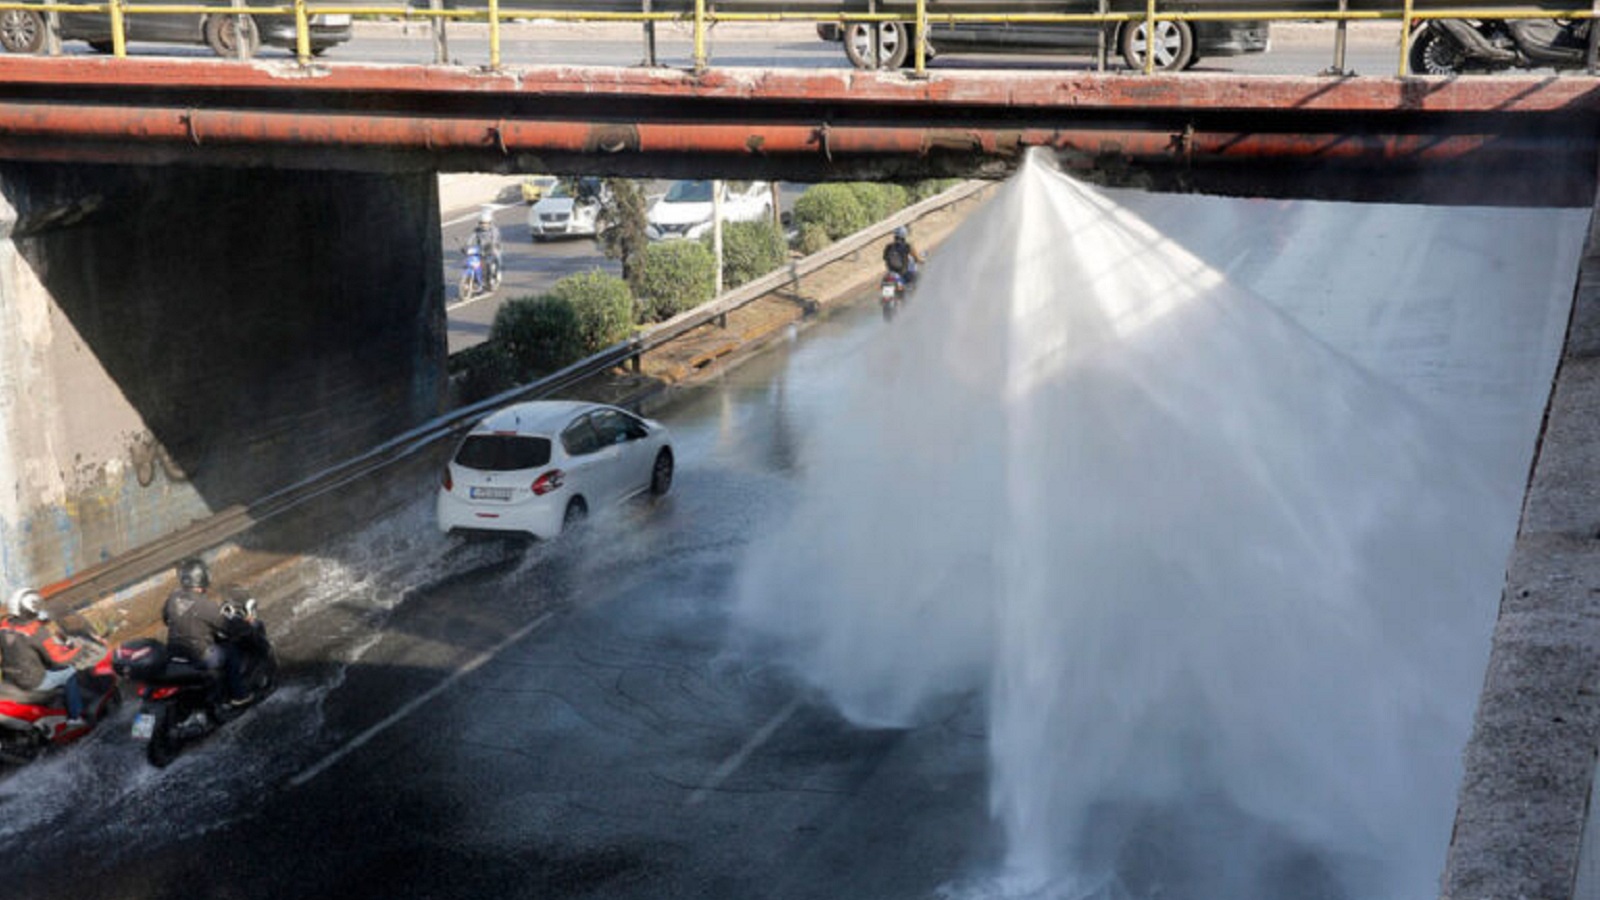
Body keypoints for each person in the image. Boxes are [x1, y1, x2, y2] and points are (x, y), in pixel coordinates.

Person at [162, 558, 250, 706]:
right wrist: (246, 624)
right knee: (231, 652)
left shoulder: (173, 597)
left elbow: (166, 618)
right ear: (202, 578)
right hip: (200, 655)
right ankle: (239, 696)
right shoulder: (204, 605)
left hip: (175, 654)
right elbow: (226, 626)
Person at [0, 588, 85, 727]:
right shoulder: (37, 631)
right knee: (70, 673)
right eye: (36, 606)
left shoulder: (4, 626)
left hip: (10, 678)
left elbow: (19, 645)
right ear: (30, 608)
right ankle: (75, 718)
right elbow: (57, 659)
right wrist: (77, 649)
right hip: (33, 681)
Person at [470, 207, 503, 287]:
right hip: (481, 250)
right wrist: (466, 245)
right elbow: (471, 238)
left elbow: (494, 240)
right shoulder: (477, 230)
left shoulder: (494, 230)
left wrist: (492, 246)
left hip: (492, 249)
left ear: (490, 222)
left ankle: (494, 276)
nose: (483, 225)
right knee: (474, 262)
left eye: (486, 223)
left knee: (493, 261)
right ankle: (475, 278)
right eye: (481, 223)